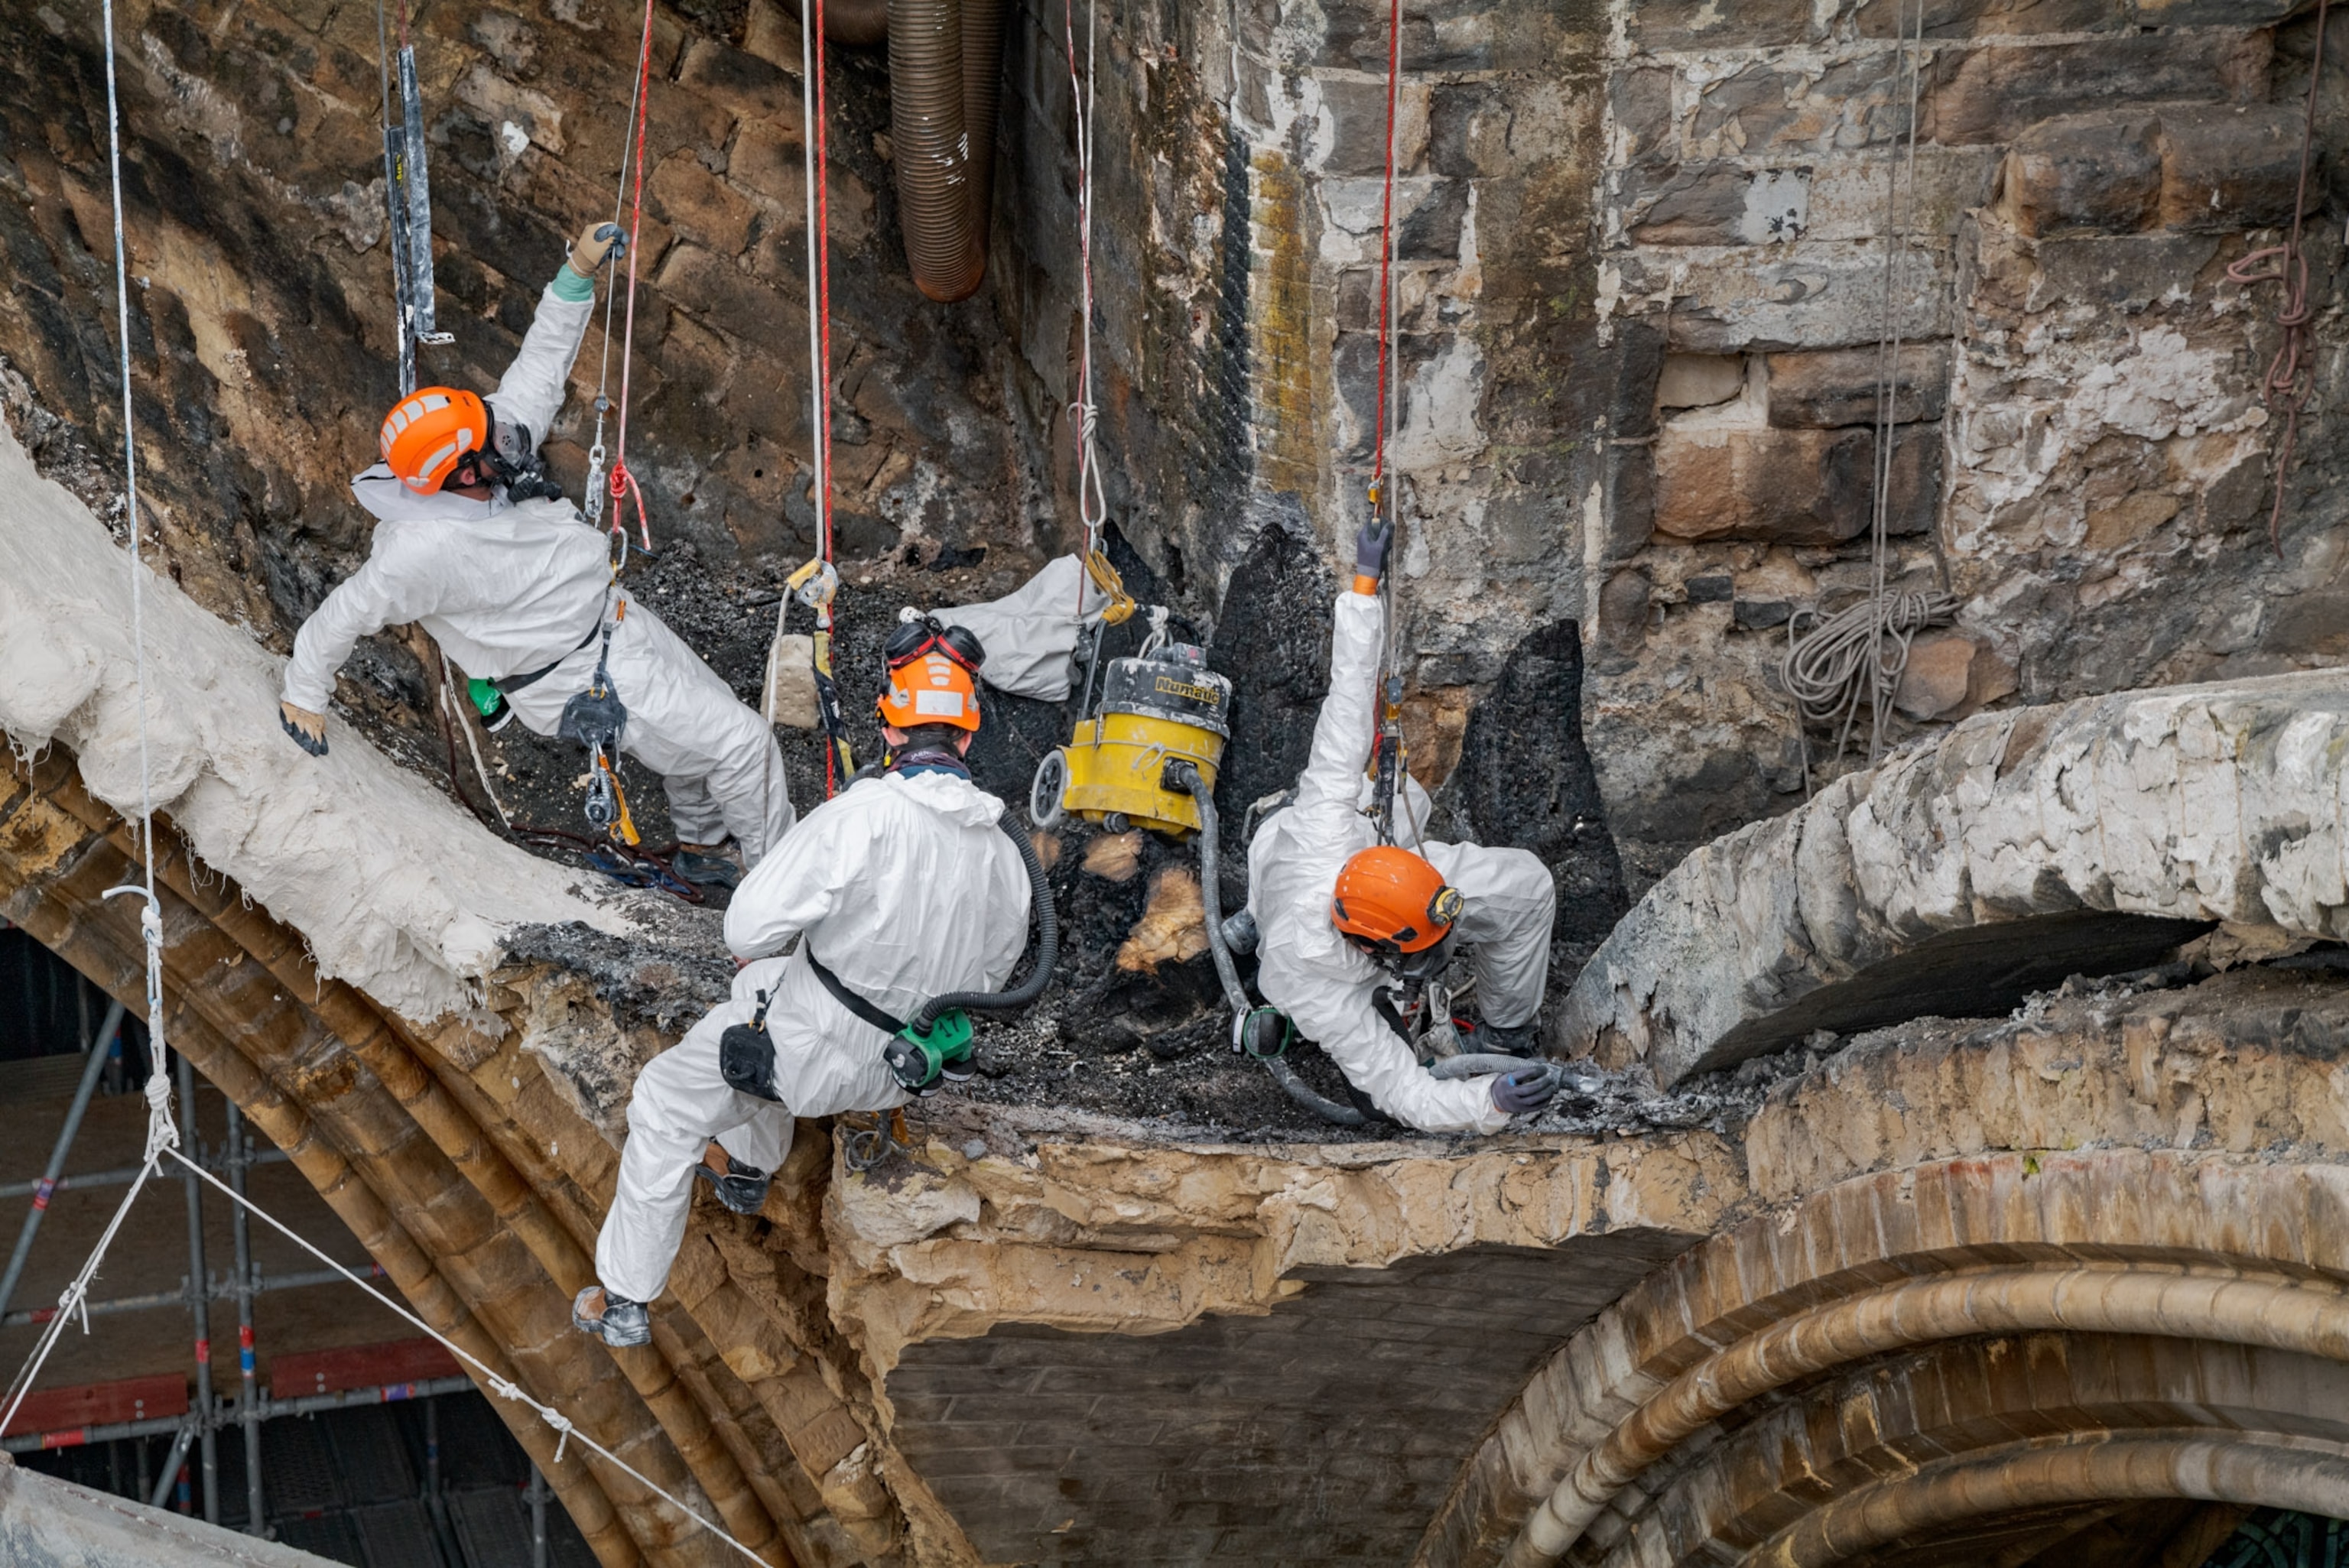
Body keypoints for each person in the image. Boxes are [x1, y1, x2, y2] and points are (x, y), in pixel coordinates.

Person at [275, 219, 791, 885]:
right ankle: (785, 903)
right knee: (745, 743)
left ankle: (707, 849)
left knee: (707, 722)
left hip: (608, 619)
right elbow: (350, 610)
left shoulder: (478, 449)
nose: (512, 442)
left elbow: (539, 366)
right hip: (570, 670)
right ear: (460, 472)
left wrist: (575, 273)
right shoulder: (422, 552)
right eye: (495, 445)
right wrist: (303, 692)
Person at [574, 628, 1033, 1346]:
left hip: (812, 1056)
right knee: (766, 987)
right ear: (968, 740)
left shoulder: (865, 817)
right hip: (903, 1070)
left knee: (667, 1099)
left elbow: (746, 927)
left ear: (887, 724)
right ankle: (747, 1166)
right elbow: (995, 978)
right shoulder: (1007, 853)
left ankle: (625, 1295)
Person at [1242, 518, 1561, 1135]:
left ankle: (1508, 1033)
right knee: (1384, 1080)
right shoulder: (1313, 985)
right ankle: (1261, 921)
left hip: (1354, 851)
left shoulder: (1328, 823)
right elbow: (1402, 1091)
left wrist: (1364, 587)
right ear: (1371, 947)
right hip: (1289, 902)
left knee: (1525, 888)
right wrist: (1489, 1103)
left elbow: (1346, 706)